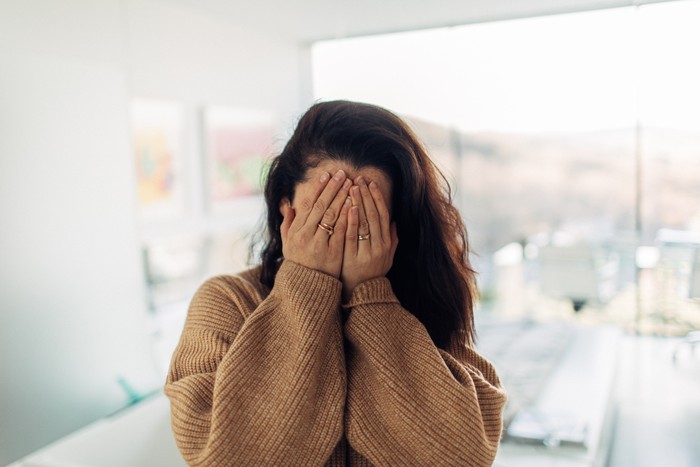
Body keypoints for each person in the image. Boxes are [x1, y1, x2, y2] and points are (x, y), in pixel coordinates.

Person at [164, 100, 506, 466]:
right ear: (285, 207)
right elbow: (230, 459)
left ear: (396, 224)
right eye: (323, 210)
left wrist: (370, 298)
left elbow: (462, 458)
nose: (343, 226)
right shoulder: (228, 301)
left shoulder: (424, 299)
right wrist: (307, 282)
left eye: (367, 214)